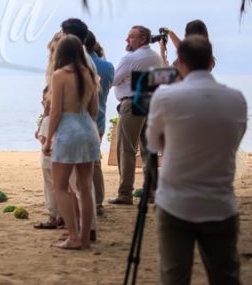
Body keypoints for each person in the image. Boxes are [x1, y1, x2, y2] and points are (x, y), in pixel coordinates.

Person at [146, 36, 247, 284]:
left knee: (174, 277)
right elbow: (233, 140)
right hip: (220, 203)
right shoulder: (237, 99)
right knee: (226, 276)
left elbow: (153, 144)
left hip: (175, 203)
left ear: (179, 62)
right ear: (211, 61)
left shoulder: (165, 97)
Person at [43, 35, 100, 250]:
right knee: (85, 187)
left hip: (68, 131)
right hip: (88, 129)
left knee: (60, 187)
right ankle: (85, 238)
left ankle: (73, 236)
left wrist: (48, 139)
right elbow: (94, 111)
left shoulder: (59, 75)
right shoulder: (91, 76)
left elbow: (56, 112)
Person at [109, 25, 164, 205]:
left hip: (131, 103)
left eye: (131, 37)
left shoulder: (130, 58)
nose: (127, 40)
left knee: (126, 149)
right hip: (150, 103)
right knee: (148, 150)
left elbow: (113, 80)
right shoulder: (155, 57)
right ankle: (151, 191)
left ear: (142, 39)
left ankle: (125, 193)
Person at [84, 31, 114, 216]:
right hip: (100, 119)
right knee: (95, 162)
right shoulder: (108, 66)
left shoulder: (79, 66)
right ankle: (98, 203)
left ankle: (87, 203)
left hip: (83, 119)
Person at [33, 86, 62, 230]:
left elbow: (44, 140)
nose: (42, 102)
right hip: (62, 157)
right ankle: (63, 215)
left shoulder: (47, 120)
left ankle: (53, 216)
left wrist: (38, 135)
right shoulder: (63, 119)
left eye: (44, 100)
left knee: (50, 186)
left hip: (48, 158)